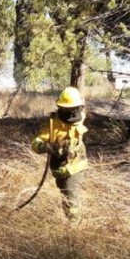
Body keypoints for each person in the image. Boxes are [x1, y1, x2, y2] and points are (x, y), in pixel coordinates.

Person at [30, 86, 89, 222]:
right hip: (59, 168)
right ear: (60, 107)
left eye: (73, 108)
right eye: (66, 109)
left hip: (76, 166)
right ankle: (71, 220)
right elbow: (36, 141)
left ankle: (75, 225)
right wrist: (44, 147)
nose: (70, 112)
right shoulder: (53, 123)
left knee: (70, 194)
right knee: (65, 195)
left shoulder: (81, 118)